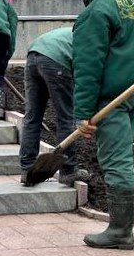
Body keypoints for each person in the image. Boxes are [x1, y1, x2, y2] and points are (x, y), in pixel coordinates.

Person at [70, 0, 134, 250]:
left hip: (111, 99)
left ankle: (120, 231)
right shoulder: (133, 5)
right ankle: (121, 228)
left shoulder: (95, 12)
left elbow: (87, 66)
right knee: (121, 158)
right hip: (131, 94)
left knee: (116, 161)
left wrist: (82, 112)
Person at [18, 27, 90, 186]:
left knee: (32, 116)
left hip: (33, 55)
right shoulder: (94, 41)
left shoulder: (76, 32)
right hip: (55, 59)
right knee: (66, 117)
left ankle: (27, 169)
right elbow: (87, 76)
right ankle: (68, 171)